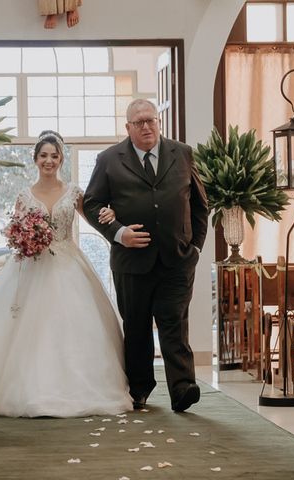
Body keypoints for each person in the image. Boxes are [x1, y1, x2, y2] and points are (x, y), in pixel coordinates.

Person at [0, 131, 132, 417]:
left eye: (54, 156)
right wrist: (22, 239)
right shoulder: (24, 195)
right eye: (44, 156)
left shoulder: (74, 193)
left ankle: (74, 388)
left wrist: (111, 220)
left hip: (68, 262)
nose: (49, 160)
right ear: (35, 159)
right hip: (31, 265)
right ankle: (24, 388)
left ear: (61, 159)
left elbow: (92, 218)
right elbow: (15, 229)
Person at [83, 99, 208, 413]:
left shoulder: (182, 153)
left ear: (159, 122)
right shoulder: (109, 160)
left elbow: (200, 204)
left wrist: (195, 248)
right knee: (137, 327)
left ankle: (182, 388)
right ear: (127, 128)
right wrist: (119, 233)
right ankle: (140, 389)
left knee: (174, 322)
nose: (146, 126)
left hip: (177, 259)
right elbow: (92, 204)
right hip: (131, 263)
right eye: (138, 122)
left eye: (150, 120)